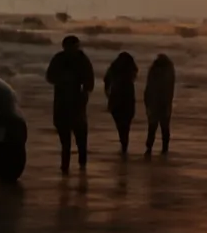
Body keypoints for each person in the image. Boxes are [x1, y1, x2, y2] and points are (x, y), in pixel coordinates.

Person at [45, 35, 95, 173]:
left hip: (75, 103)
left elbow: (89, 82)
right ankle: (67, 165)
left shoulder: (80, 60)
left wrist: (84, 93)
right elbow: (49, 76)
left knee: (79, 138)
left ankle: (80, 164)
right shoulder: (61, 59)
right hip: (63, 103)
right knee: (66, 139)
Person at [103, 50, 138, 155]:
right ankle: (124, 143)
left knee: (120, 123)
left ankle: (123, 142)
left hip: (115, 98)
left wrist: (107, 93)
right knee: (126, 123)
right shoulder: (131, 72)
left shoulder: (113, 69)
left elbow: (106, 81)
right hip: (128, 98)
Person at [144, 53, 176, 156]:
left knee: (153, 127)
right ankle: (164, 148)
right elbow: (170, 88)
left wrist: (147, 102)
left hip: (155, 102)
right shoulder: (168, 70)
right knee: (164, 127)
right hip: (163, 102)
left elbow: (148, 87)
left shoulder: (154, 69)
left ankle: (150, 148)